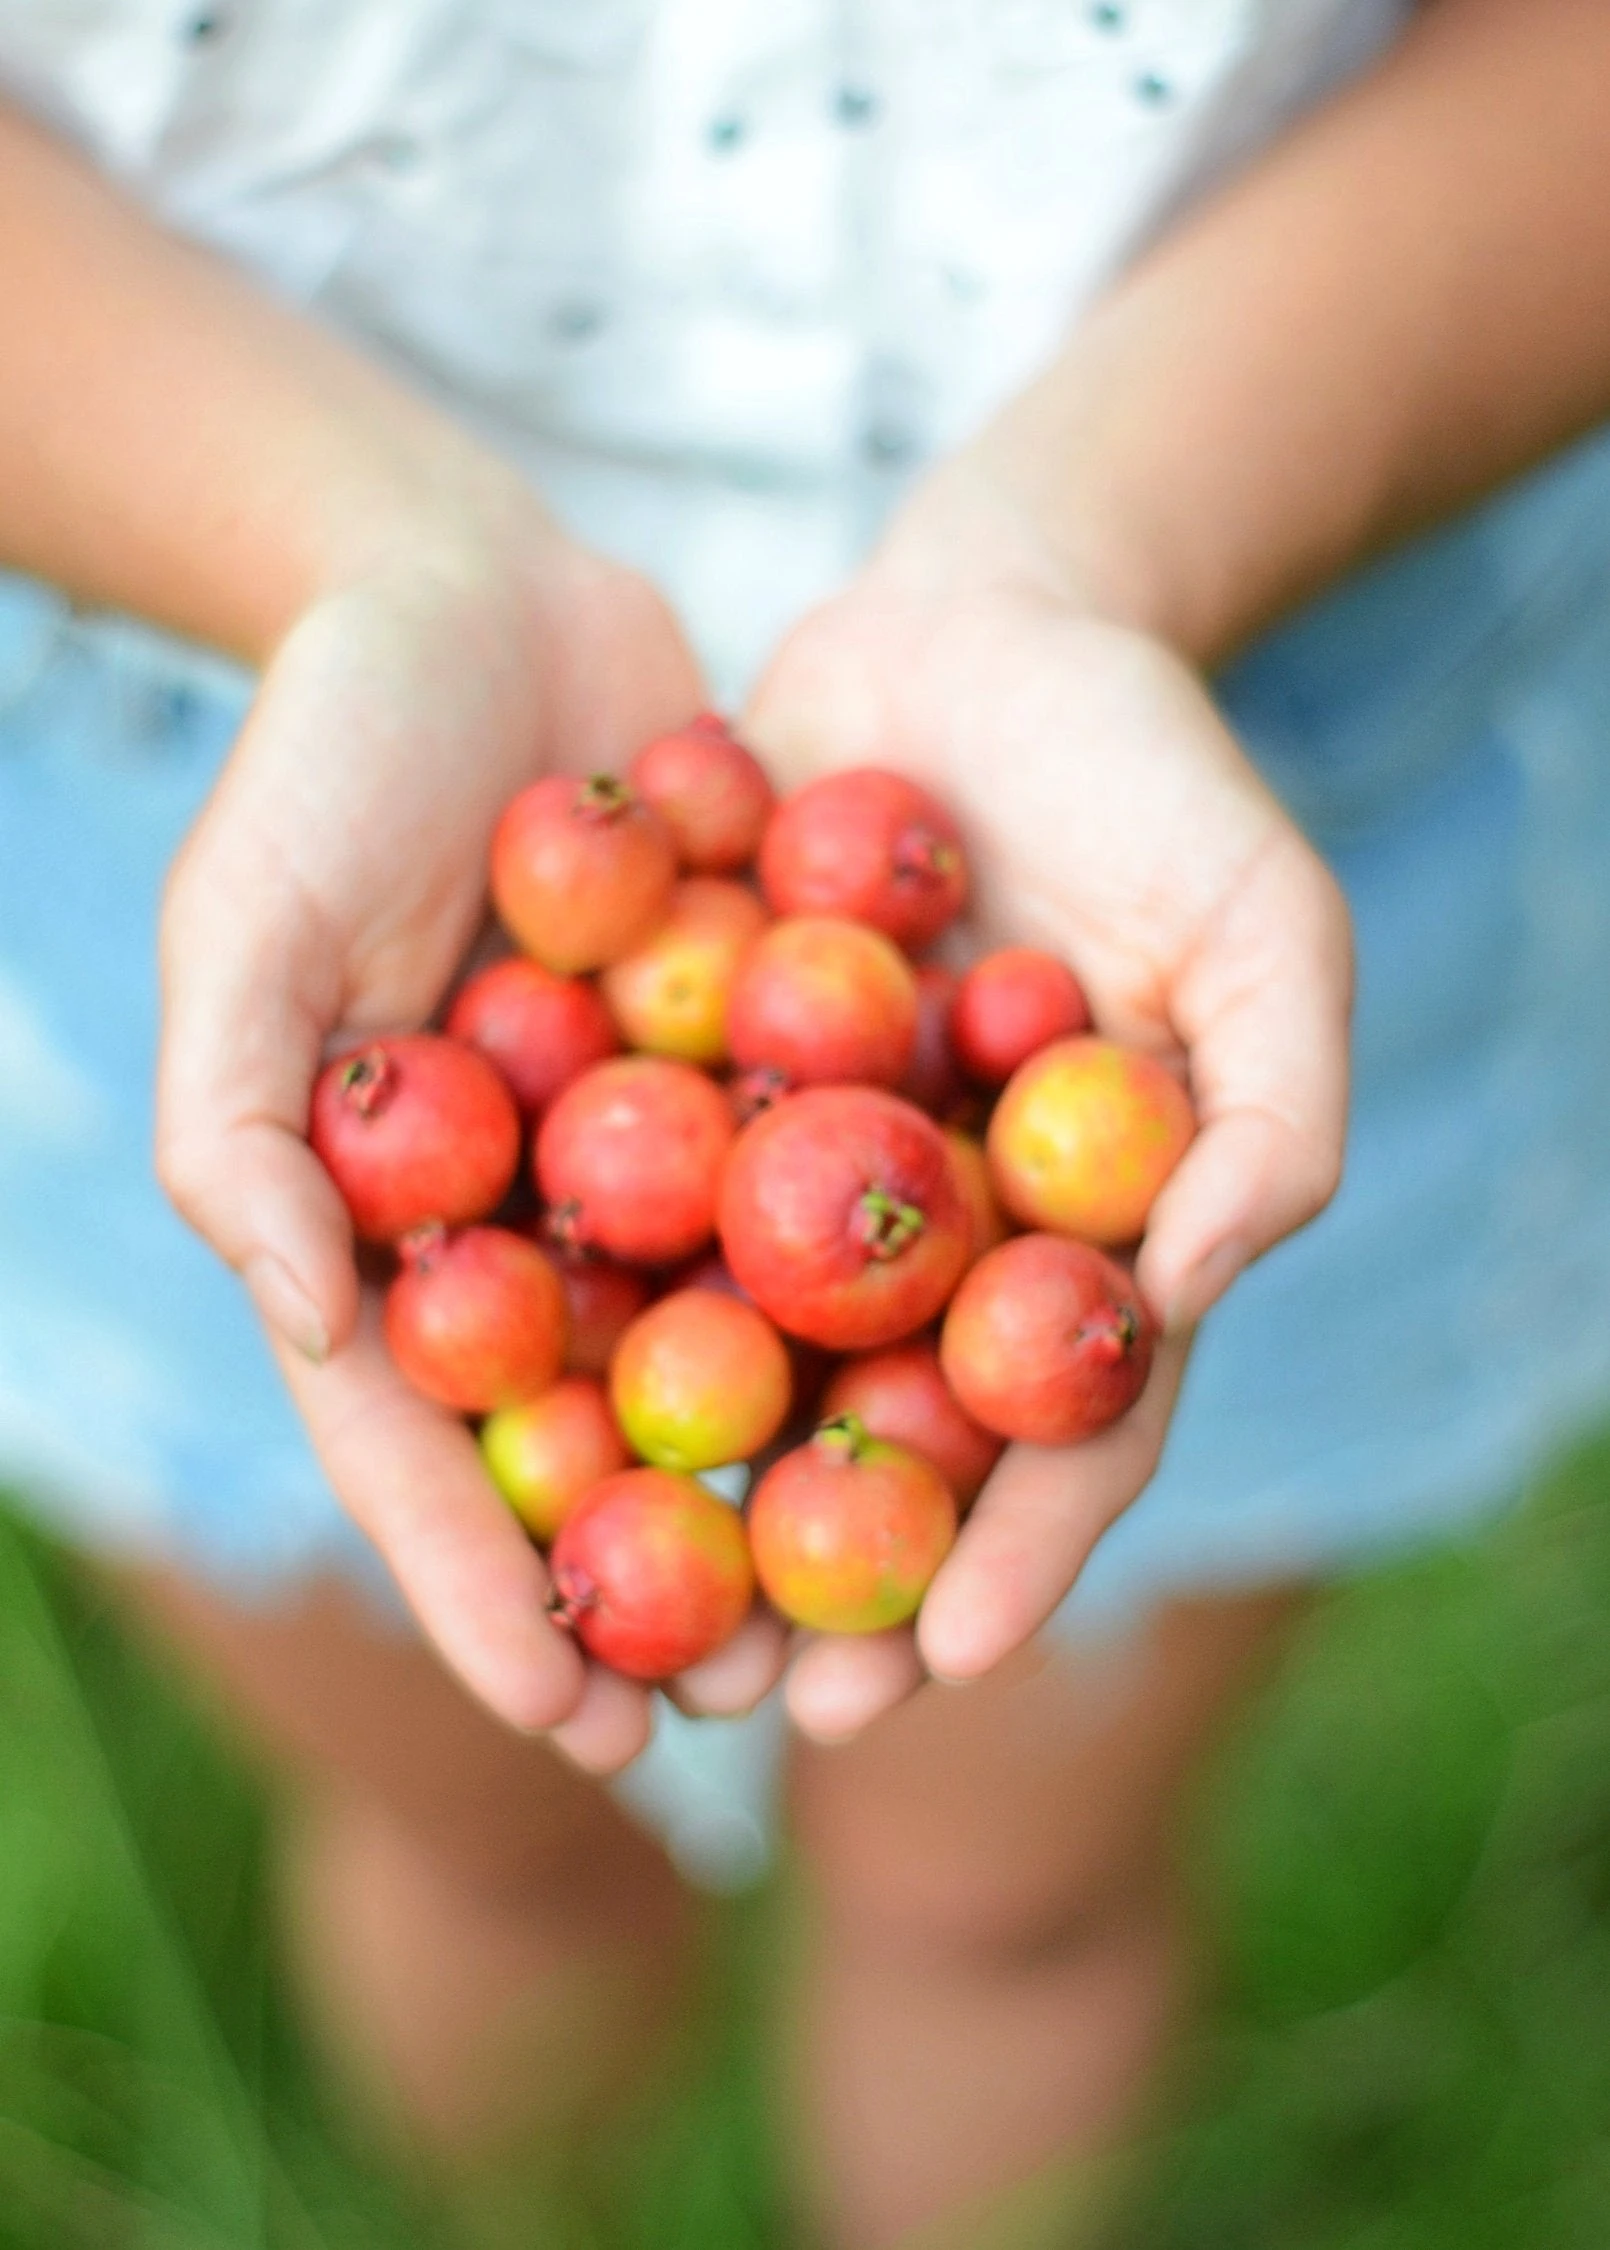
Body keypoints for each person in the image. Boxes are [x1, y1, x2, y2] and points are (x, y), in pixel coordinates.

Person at [3, 0, 1610, 2241]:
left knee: (1009, 1894)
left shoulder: (878, 1114)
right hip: (190, 748)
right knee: (469, 1831)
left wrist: (1096, 549)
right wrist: (355, 556)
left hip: (1279, 706)